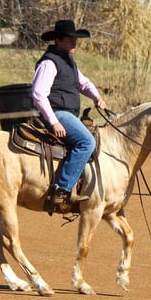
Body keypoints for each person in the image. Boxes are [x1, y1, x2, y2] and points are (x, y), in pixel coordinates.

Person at [31, 19, 107, 210]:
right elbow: (38, 94)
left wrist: (97, 97)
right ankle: (61, 188)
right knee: (87, 142)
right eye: (70, 39)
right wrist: (54, 121)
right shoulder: (49, 63)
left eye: (75, 39)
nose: (75, 43)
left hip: (67, 114)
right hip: (58, 114)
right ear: (58, 40)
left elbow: (84, 83)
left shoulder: (68, 61)